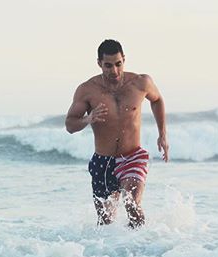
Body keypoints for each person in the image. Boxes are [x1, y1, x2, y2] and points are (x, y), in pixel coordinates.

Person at [65, 39, 168, 228]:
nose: (114, 71)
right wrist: (87, 119)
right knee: (105, 221)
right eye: (108, 65)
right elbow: (70, 125)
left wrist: (162, 134)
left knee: (131, 203)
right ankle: (117, 254)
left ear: (124, 60)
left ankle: (142, 249)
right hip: (103, 162)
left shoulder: (140, 83)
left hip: (132, 156)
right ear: (99, 63)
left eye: (118, 64)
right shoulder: (87, 90)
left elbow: (157, 99)